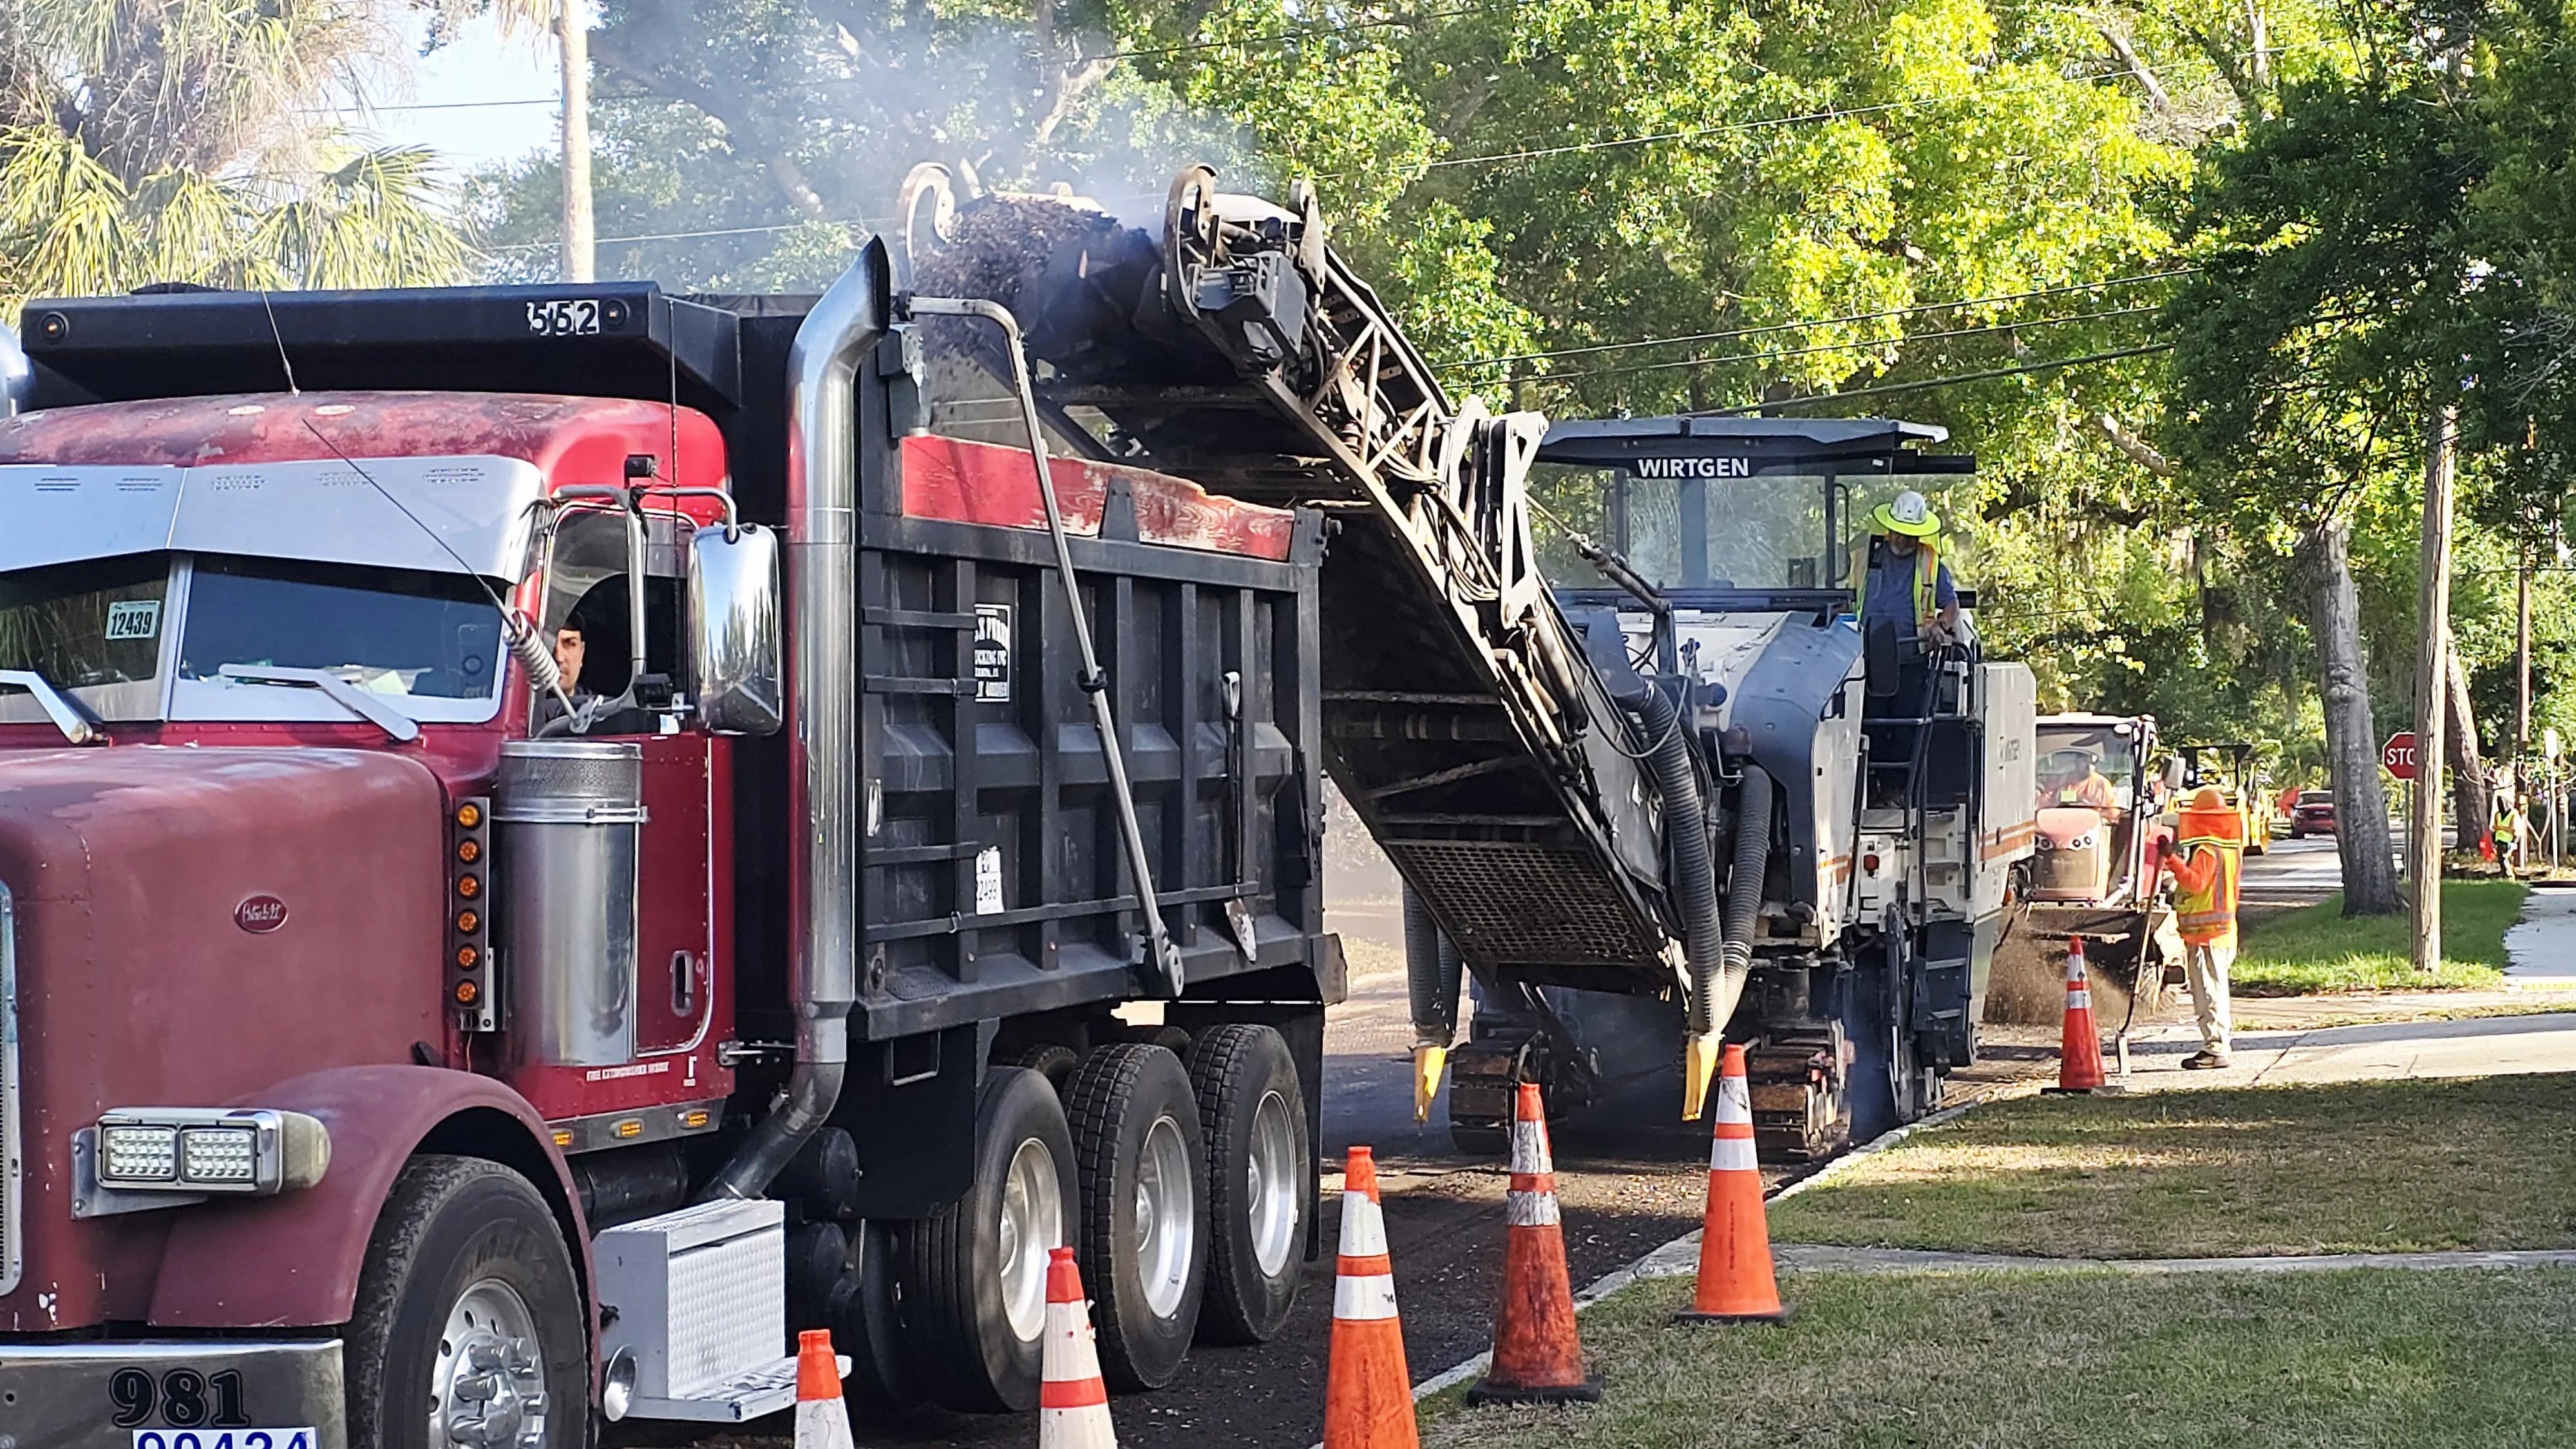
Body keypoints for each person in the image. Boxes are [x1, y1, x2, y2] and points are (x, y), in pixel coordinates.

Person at [1854, 489, 1960, 718]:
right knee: (1868, 728)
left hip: (1912, 660)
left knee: (1906, 730)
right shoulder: (1864, 558)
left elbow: (1951, 605)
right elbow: (1844, 597)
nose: (1903, 539)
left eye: (1910, 534)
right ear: (1889, 529)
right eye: (1898, 532)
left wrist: (1940, 628)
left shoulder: (1930, 564)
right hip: (1865, 660)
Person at [2159, 786, 2242, 1069]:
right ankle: (2215, 1045)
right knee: (2212, 990)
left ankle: (2216, 1048)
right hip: (2220, 931)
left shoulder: (2208, 849)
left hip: (2209, 934)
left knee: (2209, 992)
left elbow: (2195, 883)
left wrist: (2171, 859)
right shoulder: (2229, 847)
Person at [2040, 747, 2117, 813]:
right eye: (2084, 762)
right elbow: (2043, 806)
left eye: (2092, 763)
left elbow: (2113, 814)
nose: (2089, 766)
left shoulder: (2102, 785)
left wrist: (2091, 810)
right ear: (2076, 763)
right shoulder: (2061, 782)